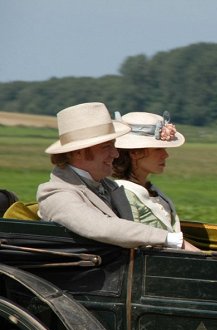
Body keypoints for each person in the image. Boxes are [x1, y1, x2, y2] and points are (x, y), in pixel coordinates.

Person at [37, 102, 187, 250]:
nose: (115, 154)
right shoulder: (55, 194)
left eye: (113, 145)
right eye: (106, 147)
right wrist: (169, 238)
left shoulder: (108, 186)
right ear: (78, 152)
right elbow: (99, 226)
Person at [112, 111, 195, 248]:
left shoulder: (151, 189)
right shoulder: (122, 193)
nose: (166, 155)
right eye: (158, 149)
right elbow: (134, 245)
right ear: (135, 153)